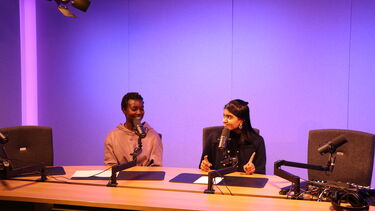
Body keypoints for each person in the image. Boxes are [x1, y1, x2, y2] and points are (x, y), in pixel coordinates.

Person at [199, 99, 266, 174]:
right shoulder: (213, 137)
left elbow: (261, 172)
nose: (224, 120)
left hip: (244, 184)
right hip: (218, 183)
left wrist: (252, 170)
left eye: (229, 117)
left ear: (241, 120)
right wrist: (204, 166)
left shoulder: (256, 141)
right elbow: (203, 166)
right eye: (224, 116)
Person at [104, 92, 163, 166]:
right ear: (124, 110)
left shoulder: (153, 136)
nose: (139, 112)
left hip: (146, 177)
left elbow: (156, 168)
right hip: (120, 177)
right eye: (134, 109)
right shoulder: (112, 136)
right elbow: (110, 166)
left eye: (141, 109)